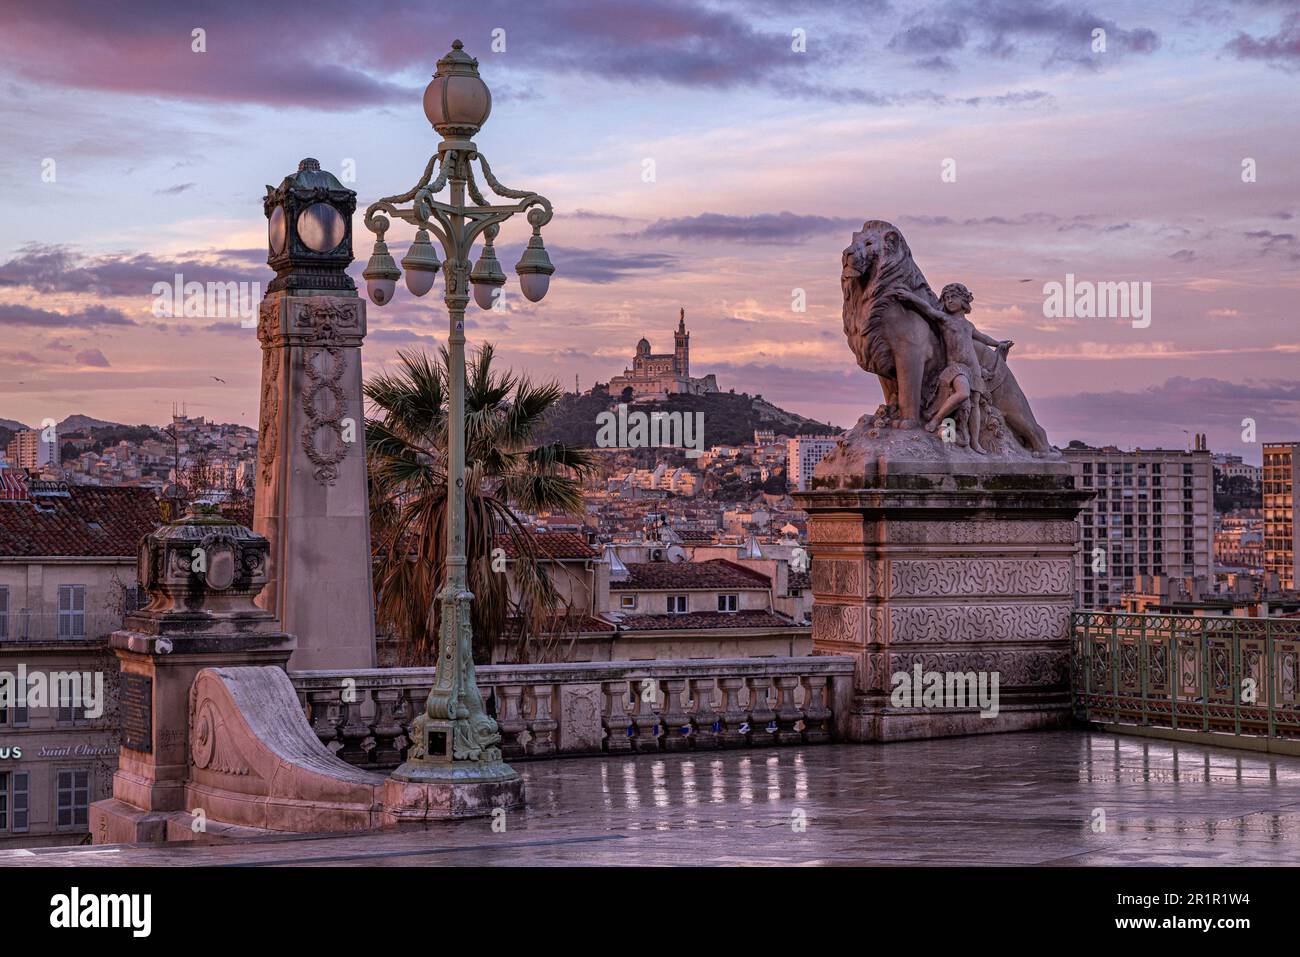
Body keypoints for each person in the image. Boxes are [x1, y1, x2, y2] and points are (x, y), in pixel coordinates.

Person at [891, 283, 1012, 454]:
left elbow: (983, 338)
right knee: (963, 393)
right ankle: (936, 420)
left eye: (953, 297)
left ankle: (974, 442)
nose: (949, 301)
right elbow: (927, 308)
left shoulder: (968, 326)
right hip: (956, 367)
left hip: (974, 369)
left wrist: (998, 344)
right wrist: (910, 297)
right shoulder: (945, 319)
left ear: (964, 300)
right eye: (946, 298)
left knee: (974, 405)